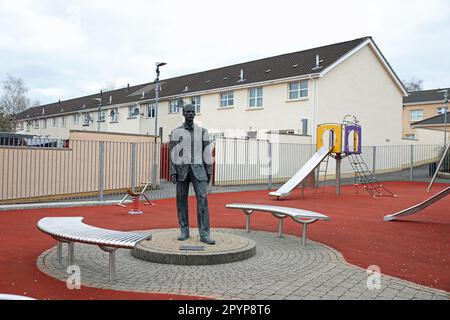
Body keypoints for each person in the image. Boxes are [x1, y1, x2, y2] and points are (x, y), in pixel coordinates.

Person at [169, 104, 215, 245]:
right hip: (182, 170)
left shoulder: (202, 132)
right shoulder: (176, 132)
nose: (190, 113)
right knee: (181, 201)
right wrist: (173, 171)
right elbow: (172, 153)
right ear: (183, 113)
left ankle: (204, 233)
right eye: (187, 111)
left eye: (192, 111)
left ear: (195, 114)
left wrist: (209, 172)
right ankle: (184, 230)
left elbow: (207, 153)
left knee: (203, 201)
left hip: (199, 170)